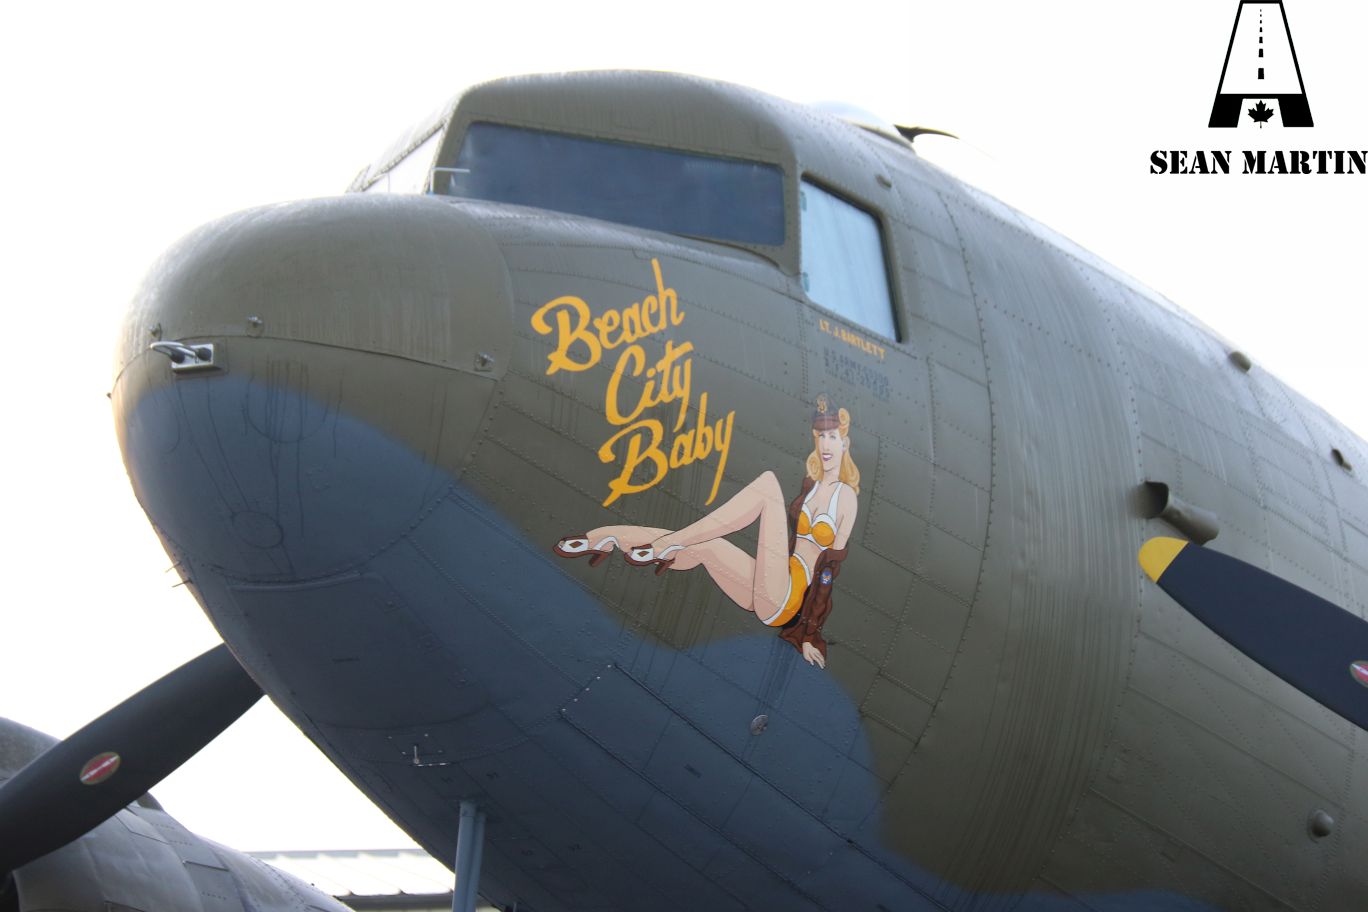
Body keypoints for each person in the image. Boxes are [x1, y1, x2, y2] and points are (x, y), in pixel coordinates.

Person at [555, 396, 860, 668]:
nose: (825, 444)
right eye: (821, 436)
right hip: (771, 581)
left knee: (768, 486)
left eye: (833, 437)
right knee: (706, 547)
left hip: (788, 596)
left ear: (844, 443)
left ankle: (669, 543)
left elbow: (828, 572)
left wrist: (809, 635)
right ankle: (605, 537)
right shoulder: (810, 488)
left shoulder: (845, 497)